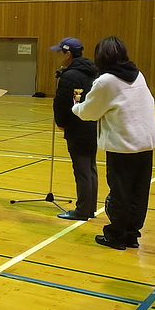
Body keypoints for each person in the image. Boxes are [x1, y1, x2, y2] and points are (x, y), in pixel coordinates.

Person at [73, 36, 155, 250]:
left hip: (124, 145)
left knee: (120, 192)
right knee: (139, 193)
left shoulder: (106, 81)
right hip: (145, 142)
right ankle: (131, 234)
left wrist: (75, 105)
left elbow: (89, 113)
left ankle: (116, 235)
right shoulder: (138, 75)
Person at [51, 37, 99, 220]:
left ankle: (82, 210)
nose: (58, 56)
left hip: (77, 127)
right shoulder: (93, 72)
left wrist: (61, 122)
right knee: (90, 167)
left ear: (68, 54)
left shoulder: (70, 75)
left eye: (60, 52)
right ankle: (90, 207)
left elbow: (61, 103)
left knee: (82, 169)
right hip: (92, 124)